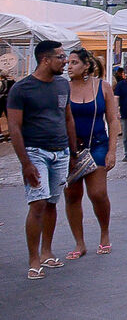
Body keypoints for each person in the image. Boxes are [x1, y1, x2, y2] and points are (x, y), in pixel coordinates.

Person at [7, 40, 79, 280]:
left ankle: (47, 252)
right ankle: (33, 259)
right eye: (60, 57)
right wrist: (25, 162)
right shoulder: (22, 89)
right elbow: (14, 127)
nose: (65, 61)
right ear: (45, 59)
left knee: (51, 203)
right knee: (37, 203)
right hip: (35, 152)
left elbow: (68, 118)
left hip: (61, 152)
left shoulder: (62, 85)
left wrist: (72, 151)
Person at [62, 48, 118, 260]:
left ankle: (104, 234)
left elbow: (113, 120)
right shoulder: (64, 88)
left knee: (97, 193)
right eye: (68, 63)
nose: (69, 66)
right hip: (71, 148)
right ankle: (79, 242)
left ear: (86, 65)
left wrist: (112, 150)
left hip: (97, 144)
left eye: (74, 62)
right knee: (72, 195)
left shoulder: (102, 87)